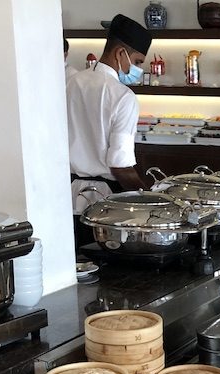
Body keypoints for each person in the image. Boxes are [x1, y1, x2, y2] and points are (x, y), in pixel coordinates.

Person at [66, 13, 152, 247]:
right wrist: (149, 199)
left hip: (68, 197)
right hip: (105, 204)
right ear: (120, 53)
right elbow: (120, 165)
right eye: (138, 62)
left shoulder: (72, 83)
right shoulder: (123, 97)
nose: (138, 69)